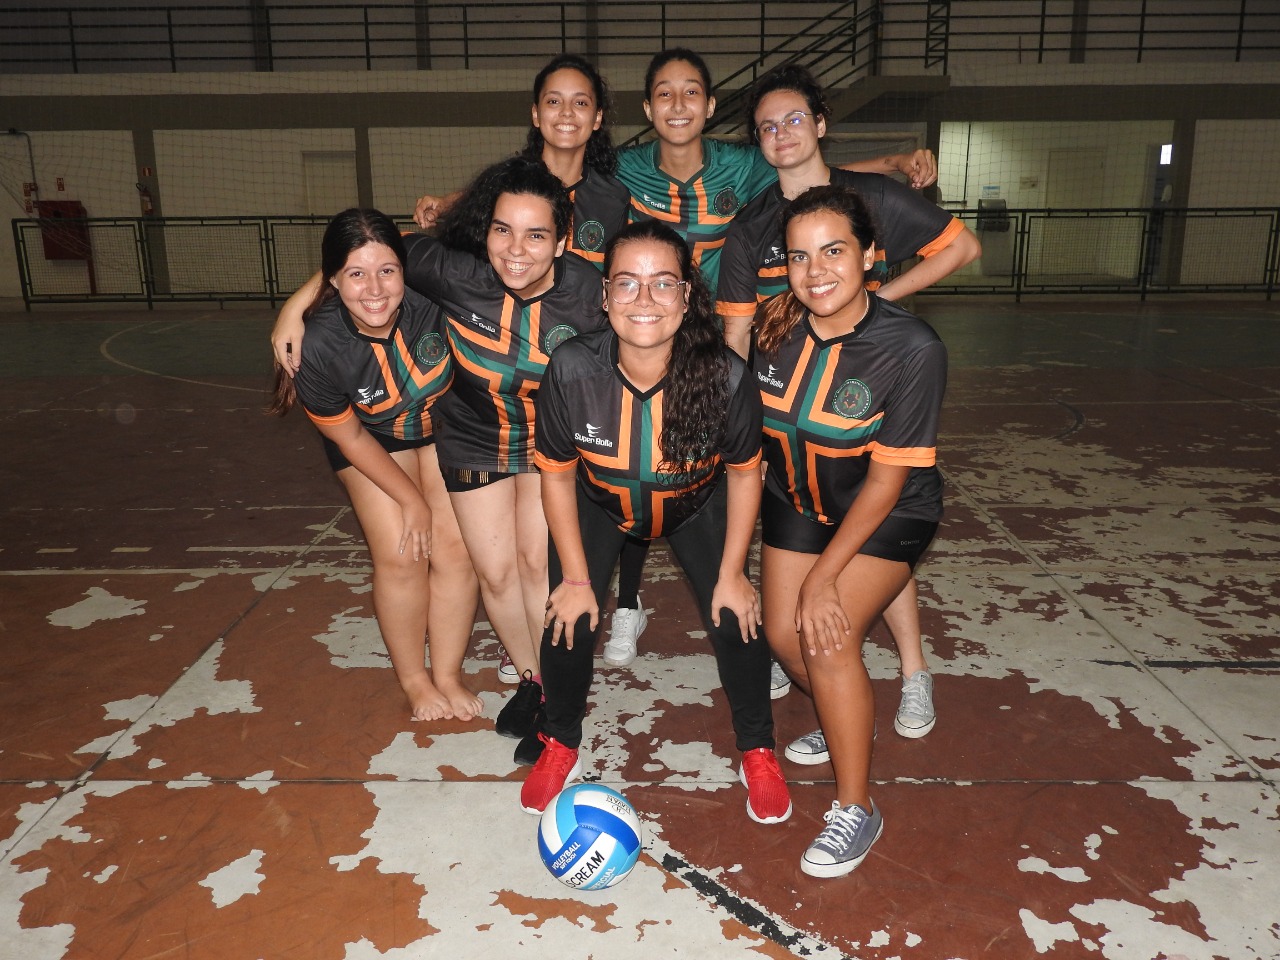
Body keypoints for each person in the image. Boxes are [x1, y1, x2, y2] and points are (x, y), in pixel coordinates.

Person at [272, 159, 608, 758]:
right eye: (502, 230)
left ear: (562, 240)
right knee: (430, 556)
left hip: (488, 434)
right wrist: (296, 305)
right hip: (407, 436)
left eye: (535, 235)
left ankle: (518, 688)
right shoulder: (428, 286)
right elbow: (376, 249)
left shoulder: (584, 291)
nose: (376, 287)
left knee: (498, 560)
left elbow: (383, 254)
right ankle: (449, 678)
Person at [719, 64, 980, 731]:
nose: (782, 135)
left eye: (795, 120)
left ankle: (914, 669)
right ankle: (831, 671)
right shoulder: (751, 227)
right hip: (799, 411)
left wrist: (870, 308)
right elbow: (740, 332)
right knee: (822, 525)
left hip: (871, 399)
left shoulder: (872, 199)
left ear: (821, 124)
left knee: (876, 523)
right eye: (767, 127)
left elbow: (961, 247)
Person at [520, 219, 791, 827]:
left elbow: (746, 474)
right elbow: (558, 475)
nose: (644, 300)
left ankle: (757, 748)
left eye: (663, 284)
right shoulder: (569, 369)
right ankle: (559, 738)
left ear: (688, 295)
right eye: (627, 283)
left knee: (735, 617)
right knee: (567, 618)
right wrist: (576, 581)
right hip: (598, 503)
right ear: (604, 295)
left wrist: (733, 573)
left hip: (696, 504)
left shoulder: (727, 375)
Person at [753, 185, 947, 877]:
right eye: (799, 256)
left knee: (824, 635)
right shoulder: (773, 328)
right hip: (799, 497)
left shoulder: (912, 348)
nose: (816, 271)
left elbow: (888, 482)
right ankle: (844, 719)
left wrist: (825, 579)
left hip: (889, 511)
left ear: (870, 255)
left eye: (834, 251)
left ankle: (856, 806)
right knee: (781, 636)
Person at [267, 208, 482, 723]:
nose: (375, 289)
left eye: (387, 270)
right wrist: (412, 501)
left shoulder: (434, 299)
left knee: (456, 551)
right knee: (403, 554)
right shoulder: (316, 345)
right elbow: (350, 436)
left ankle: (448, 672)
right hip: (371, 441)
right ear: (333, 279)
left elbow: (426, 239)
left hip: (443, 429)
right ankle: (414, 678)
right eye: (356, 274)